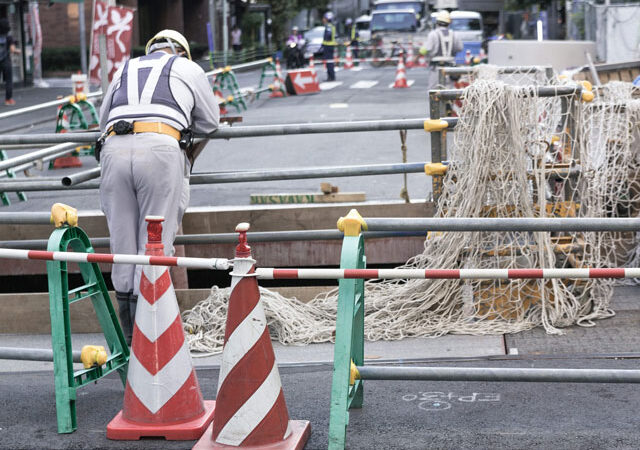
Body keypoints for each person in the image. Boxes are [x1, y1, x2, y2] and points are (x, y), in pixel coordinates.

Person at [98, 29, 220, 345]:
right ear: (180, 52)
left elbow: (102, 123)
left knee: (122, 248)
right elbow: (210, 123)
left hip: (113, 148)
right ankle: (151, 340)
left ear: (150, 50)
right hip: (161, 147)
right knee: (154, 245)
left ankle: (126, 341)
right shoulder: (188, 68)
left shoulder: (123, 69)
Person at [424, 10, 463, 91]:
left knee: (434, 91)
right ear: (449, 23)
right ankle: (448, 104)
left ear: (437, 22)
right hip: (450, 67)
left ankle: (437, 104)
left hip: (436, 68)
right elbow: (459, 48)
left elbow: (427, 48)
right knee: (449, 91)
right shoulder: (455, 34)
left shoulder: (433, 34)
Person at [0, 19, 20, 106]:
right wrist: (18, 51)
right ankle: (8, 100)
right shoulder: (9, 37)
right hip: (6, 61)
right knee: (8, 80)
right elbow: (12, 50)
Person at [321, 11, 337, 81]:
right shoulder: (332, 26)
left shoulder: (329, 26)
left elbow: (329, 35)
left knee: (329, 62)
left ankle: (331, 77)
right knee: (329, 62)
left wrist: (325, 42)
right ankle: (331, 76)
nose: (323, 19)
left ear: (327, 18)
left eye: (324, 18)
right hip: (330, 46)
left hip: (328, 46)